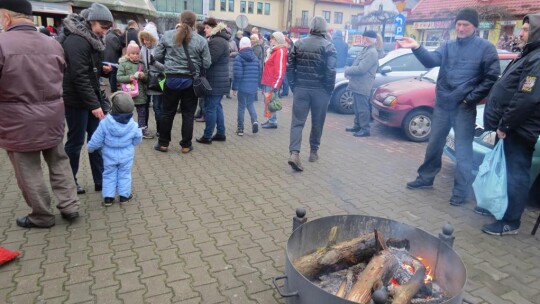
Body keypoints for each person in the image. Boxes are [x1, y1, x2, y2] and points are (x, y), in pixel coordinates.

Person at [398, 7, 500, 206]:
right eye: (459, 24)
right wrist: (417, 47)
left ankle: (461, 191)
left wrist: (470, 99)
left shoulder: (486, 48)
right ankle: (425, 178)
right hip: (443, 105)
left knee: (463, 152)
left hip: (464, 107)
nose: (461, 28)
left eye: (465, 25)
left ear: (474, 27)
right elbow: (431, 60)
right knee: (434, 143)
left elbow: (491, 77)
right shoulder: (448, 46)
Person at [0, 0, 80, 228]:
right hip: (53, 115)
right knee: (59, 162)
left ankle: (42, 215)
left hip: (18, 122)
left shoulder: (2, 43)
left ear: (6, 17)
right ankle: (70, 206)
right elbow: (61, 74)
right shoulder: (53, 43)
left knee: (28, 169)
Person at [481, 14, 540, 235]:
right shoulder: (528, 54)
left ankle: (511, 221)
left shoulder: (537, 59)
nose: (521, 33)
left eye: (525, 29)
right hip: (511, 127)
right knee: (505, 173)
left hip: (519, 130)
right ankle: (501, 209)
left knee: (516, 176)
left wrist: (505, 125)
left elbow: (526, 97)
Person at [61, 3, 114, 195]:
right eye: (103, 27)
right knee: (75, 143)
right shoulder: (76, 41)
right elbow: (79, 75)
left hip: (90, 97)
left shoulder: (92, 39)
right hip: (76, 101)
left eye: (108, 28)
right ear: (91, 22)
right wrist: (94, 105)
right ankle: (69, 182)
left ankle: (101, 180)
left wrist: (102, 69)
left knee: (97, 140)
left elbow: (90, 69)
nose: (105, 32)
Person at [153, 11, 211, 153]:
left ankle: (163, 144)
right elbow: (207, 63)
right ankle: (186, 145)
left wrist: (169, 61)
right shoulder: (201, 40)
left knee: (167, 112)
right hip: (191, 81)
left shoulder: (167, 35)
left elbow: (157, 55)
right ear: (194, 22)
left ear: (180, 20)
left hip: (171, 79)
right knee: (188, 114)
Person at [286, 16, 337, 172]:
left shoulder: (298, 44)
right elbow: (331, 71)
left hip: (301, 88)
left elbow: (289, 67)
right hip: (320, 91)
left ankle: (294, 153)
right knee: (317, 122)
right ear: (324, 29)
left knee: (297, 122)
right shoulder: (329, 46)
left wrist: (294, 86)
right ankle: (313, 152)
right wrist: (328, 90)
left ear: (311, 27)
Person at [87, 92, 142, 207]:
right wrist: (132, 143)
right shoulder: (133, 124)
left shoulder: (105, 123)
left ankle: (108, 197)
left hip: (109, 154)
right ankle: (124, 196)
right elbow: (138, 138)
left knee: (108, 174)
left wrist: (90, 148)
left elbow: (97, 138)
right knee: (125, 174)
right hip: (126, 154)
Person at [196, 18, 230, 144]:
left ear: (213, 27)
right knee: (217, 107)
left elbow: (209, 61)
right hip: (218, 81)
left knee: (210, 109)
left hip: (215, 81)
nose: (205, 30)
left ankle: (207, 136)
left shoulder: (216, 42)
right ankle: (220, 133)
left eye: (207, 28)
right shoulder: (220, 40)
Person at [344, 30, 379, 138]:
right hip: (357, 83)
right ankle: (357, 125)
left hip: (363, 84)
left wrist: (348, 71)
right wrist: (351, 73)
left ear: (367, 39)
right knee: (357, 107)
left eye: (364, 38)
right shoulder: (366, 49)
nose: (362, 40)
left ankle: (365, 129)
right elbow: (356, 64)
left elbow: (361, 69)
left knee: (362, 108)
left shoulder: (372, 52)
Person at [117, 41, 150, 137]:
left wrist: (143, 76)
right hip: (128, 94)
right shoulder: (123, 63)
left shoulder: (141, 64)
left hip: (140, 93)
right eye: (133, 53)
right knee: (127, 112)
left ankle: (142, 129)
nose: (135, 55)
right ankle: (126, 129)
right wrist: (129, 78)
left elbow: (147, 78)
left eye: (137, 53)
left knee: (142, 113)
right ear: (128, 54)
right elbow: (119, 77)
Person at [139, 22, 164, 137]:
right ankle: (144, 128)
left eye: (148, 39)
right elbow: (140, 62)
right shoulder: (143, 48)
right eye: (144, 39)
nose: (146, 42)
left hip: (159, 79)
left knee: (157, 106)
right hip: (146, 79)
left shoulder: (160, 48)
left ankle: (161, 129)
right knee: (144, 104)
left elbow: (166, 68)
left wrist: (155, 63)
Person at [232, 37, 260, 136]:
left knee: (241, 107)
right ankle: (255, 121)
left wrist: (234, 88)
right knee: (250, 104)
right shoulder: (255, 58)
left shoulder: (239, 58)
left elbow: (237, 75)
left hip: (243, 87)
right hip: (253, 87)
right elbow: (259, 72)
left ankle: (240, 129)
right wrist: (258, 85)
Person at [260, 32, 288, 129]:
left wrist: (276, 85)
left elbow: (280, 69)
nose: (270, 40)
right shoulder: (275, 50)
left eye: (272, 39)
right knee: (268, 101)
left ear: (277, 40)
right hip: (269, 80)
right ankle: (270, 119)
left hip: (271, 82)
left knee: (271, 101)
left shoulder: (279, 51)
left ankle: (272, 121)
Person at [104, 28, 123, 93]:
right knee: (113, 73)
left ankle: (112, 87)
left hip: (107, 57)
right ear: (117, 32)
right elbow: (117, 47)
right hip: (113, 57)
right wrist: (121, 47)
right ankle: (114, 89)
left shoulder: (108, 36)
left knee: (110, 73)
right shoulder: (114, 37)